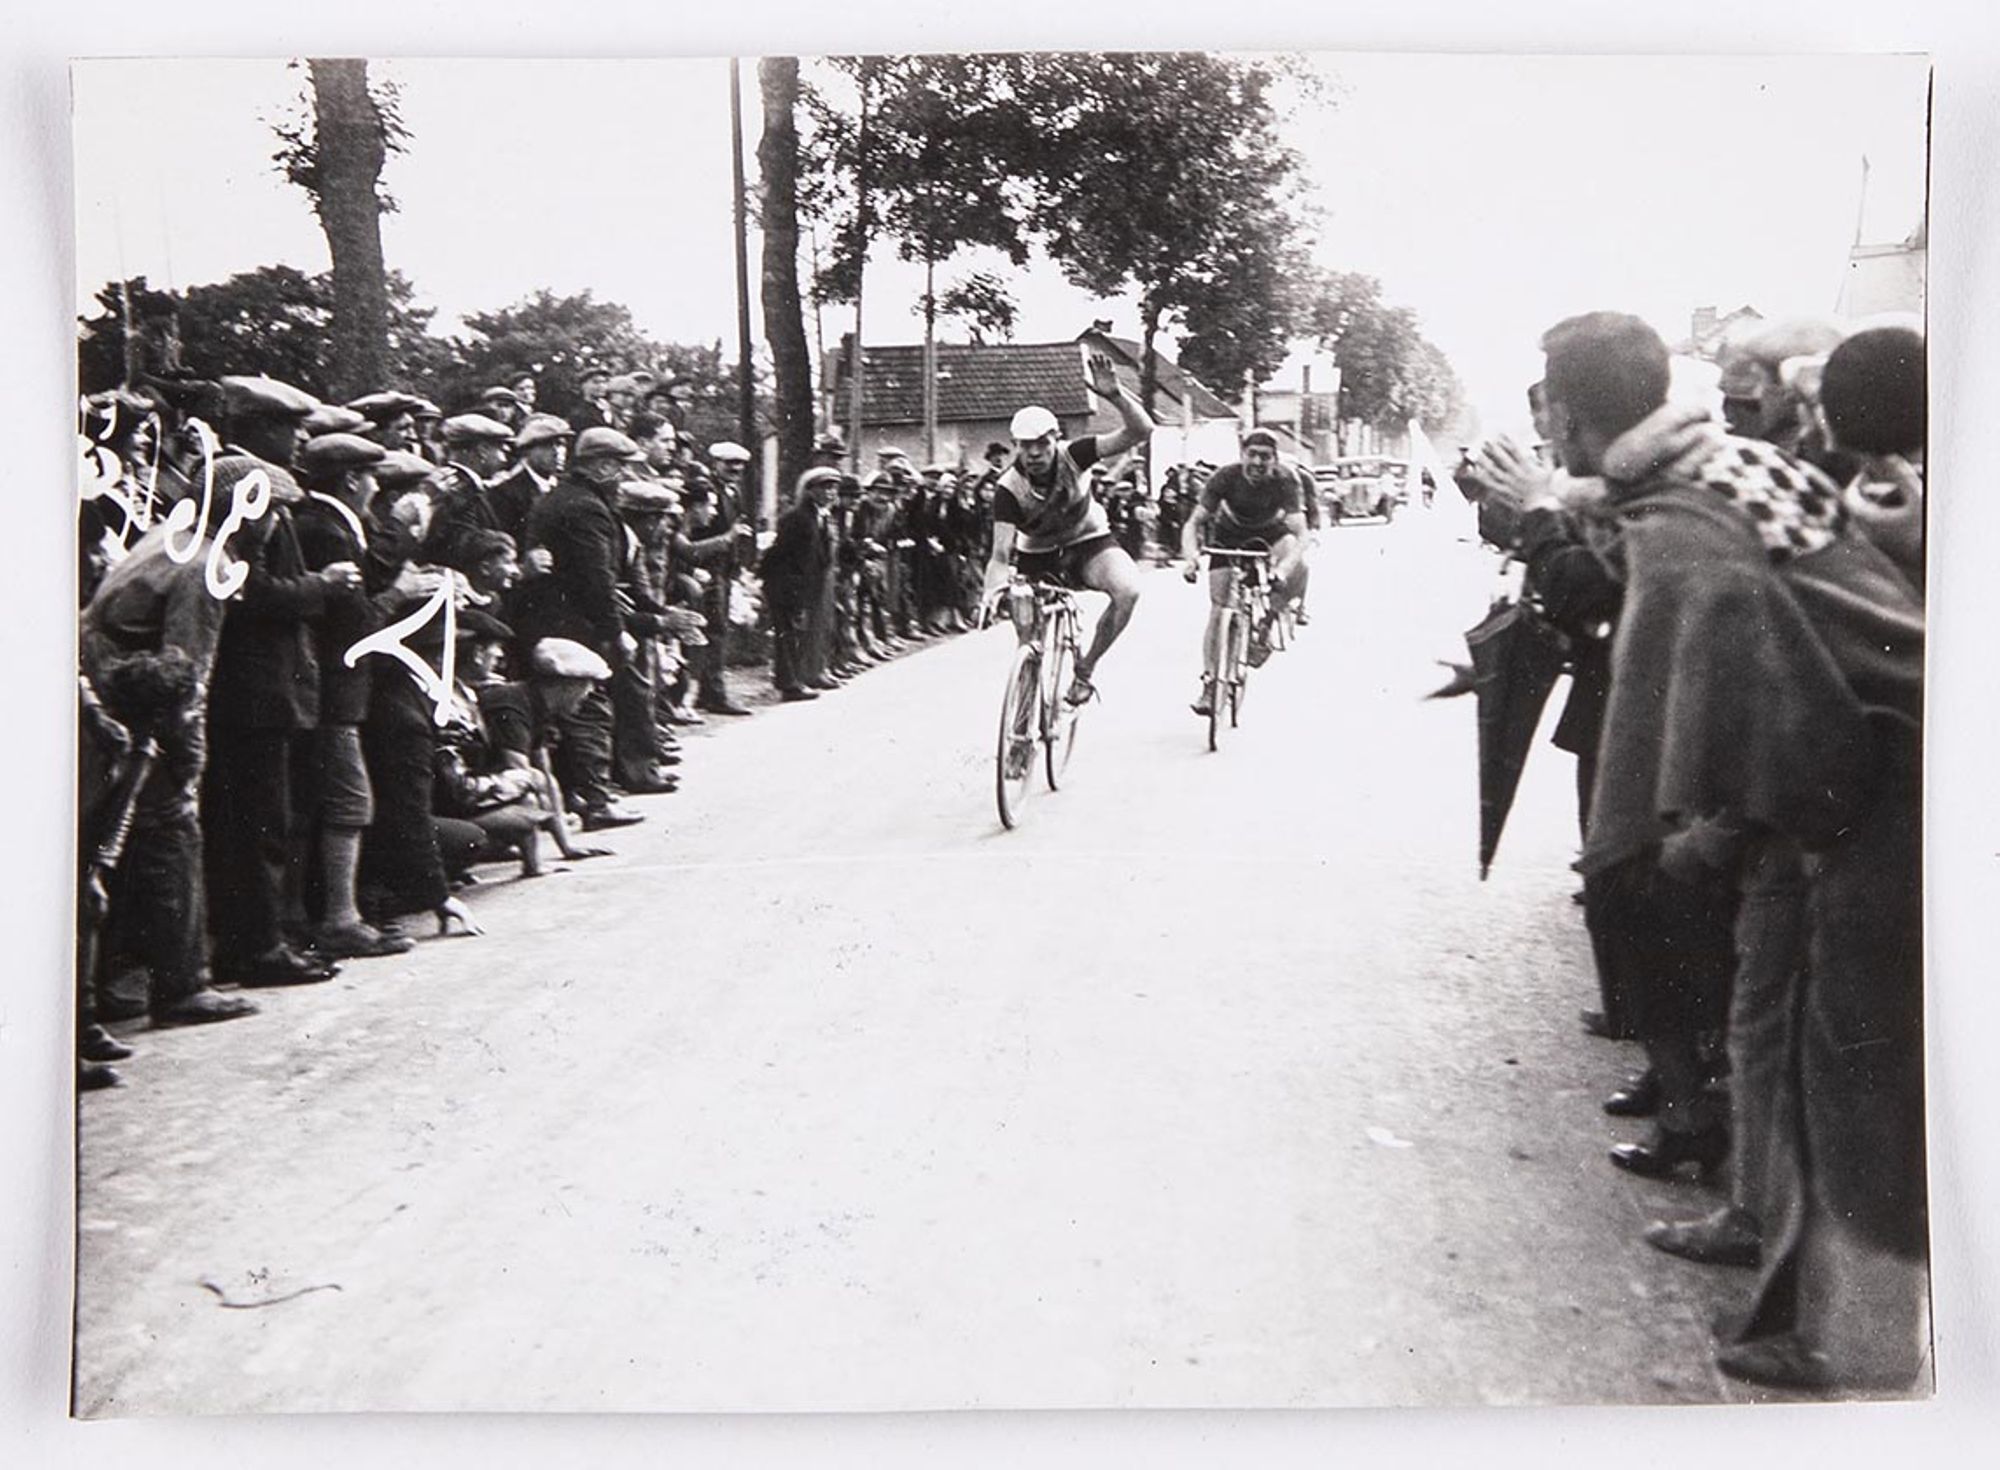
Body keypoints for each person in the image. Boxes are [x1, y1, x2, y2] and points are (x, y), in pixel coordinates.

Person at [200, 375, 354, 990]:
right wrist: (321, 587)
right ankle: (260, 947)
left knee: (263, 821)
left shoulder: (263, 488)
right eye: (288, 429)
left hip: (270, 688)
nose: (299, 441)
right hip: (256, 691)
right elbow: (245, 588)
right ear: (259, 430)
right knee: (258, 823)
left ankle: (261, 940)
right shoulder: (246, 488)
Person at [291, 431, 415, 961]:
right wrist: (399, 594)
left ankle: (332, 912)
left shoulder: (336, 524)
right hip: (334, 688)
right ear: (351, 480)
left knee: (336, 798)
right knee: (348, 798)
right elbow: (356, 621)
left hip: (337, 687)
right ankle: (341, 918)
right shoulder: (328, 528)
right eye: (370, 478)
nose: (374, 488)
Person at [978, 350, 1156, 704]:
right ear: (1015, 446)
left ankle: (1085, 670)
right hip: (1038, 556)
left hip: (1090, 542)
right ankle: (1022, 726)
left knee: (1129, 591)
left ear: (1055, 439)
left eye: (1042, 444)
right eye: (1025, 446)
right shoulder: (1007, 488)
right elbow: (1000, 554)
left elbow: (1141, 430)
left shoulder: (1077, 454)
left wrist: (1116, 396)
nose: (1034, 454)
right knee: (1029, 643)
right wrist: (991, 592)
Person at [520, 426, 649, 829]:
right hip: (576, 623)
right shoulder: (587, 508)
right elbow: (597, 579)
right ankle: (595, 799)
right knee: (590, 707)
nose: (626, 478)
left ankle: (578, 795)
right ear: (603, 466)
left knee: (564, 712)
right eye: (621, 468)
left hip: (546, 618)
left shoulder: (559, 498)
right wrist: (617, 631)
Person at [1178, 428, 1310, 715]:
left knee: (1299, 564)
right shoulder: (1225, 477)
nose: (1258, 463)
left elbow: (1302, 534)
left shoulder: (1287, 479)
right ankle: (1211, 683)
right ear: (1242, 455)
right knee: (1218, 609)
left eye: (1265, 457)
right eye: (1252, 455)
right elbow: (1193, 523)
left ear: (1275, 460)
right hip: (1228, 537)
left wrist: (1284, 569)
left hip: (1270, 536)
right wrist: (1190, 559)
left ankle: (1266, 625)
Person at [761, 467, 839, 702]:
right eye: (824, 488)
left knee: (798, 632)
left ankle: (799, 678)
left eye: (833, 488)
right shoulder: (797, 517)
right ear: (810, 492)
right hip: (788, 584)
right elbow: (778, 552)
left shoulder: (820, 516)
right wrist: (772, 579)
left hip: (804, 584)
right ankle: (789, 685)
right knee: (788, 634)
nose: (830, 493)